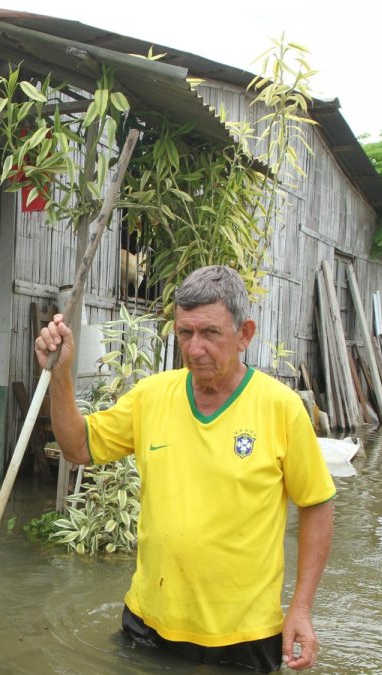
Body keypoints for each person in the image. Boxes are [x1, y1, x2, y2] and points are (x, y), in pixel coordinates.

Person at [35, 265, 335, 673]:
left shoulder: (280, 408)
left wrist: (300, 608)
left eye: (210, 333)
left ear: (244, 334)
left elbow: (316, 504)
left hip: (243, 637)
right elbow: (77, 447)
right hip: (149, 624)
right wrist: (60, 374)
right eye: (185, 333)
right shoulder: (152, 396)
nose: (195, 349)